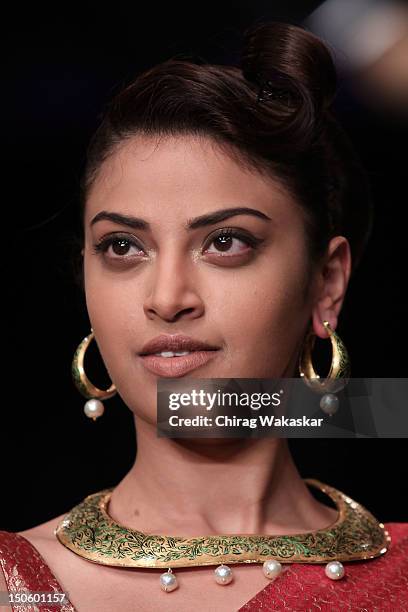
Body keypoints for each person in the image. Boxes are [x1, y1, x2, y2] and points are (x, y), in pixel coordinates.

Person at [1, 21, 407, 612]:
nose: (167, 299)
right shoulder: (16, 587)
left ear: (326, 282)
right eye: (122, 246)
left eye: (225, 242)